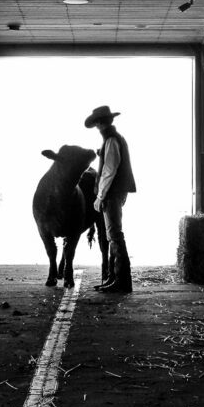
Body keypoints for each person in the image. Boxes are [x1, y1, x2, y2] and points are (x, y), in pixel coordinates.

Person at [84, 105, 136, 293]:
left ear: (100, 124)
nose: (97, 127)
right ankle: (114, 278)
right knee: (112, 235)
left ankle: (121, 281)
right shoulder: (112, 141)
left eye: (97, 124)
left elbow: (109, 171)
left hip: (112, 194)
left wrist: (100, 196)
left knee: (114, 235)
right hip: (115, 193)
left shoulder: (111, 141)